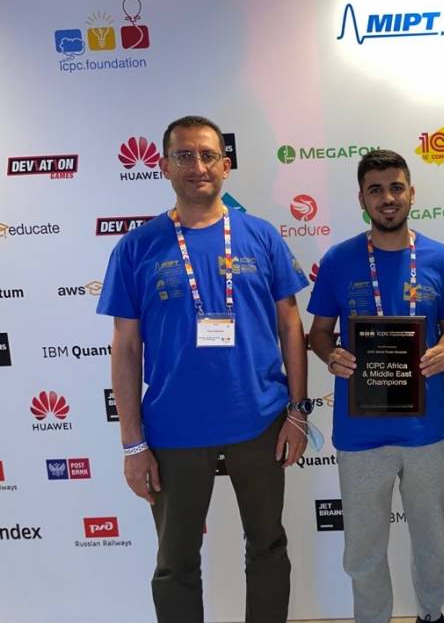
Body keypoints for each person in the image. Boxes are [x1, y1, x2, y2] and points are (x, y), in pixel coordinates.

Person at [97, 115, 310, 623]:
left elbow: (290, 325)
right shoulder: (137, 246)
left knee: (268, 547)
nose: (198, 166)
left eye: (208, 155)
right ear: (164, 166)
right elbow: (125, 349)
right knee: (175, 563)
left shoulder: (261, 236)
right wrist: (132, 443)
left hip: (260, 420)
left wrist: (298, 411)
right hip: (173, 429)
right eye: (185, 156)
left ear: (226, 165)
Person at [307, 149, 444, 623]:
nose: (388, 198)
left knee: (432, 541)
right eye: (375, 190)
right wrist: (330, 354)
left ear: (411, 193)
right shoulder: (338, 259)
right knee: (363, 548)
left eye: (396, 187)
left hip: (425, 429)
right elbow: (318, 333)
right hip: (361, 432)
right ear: (362, 199)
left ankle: (431, 615)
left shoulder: (439, 257)